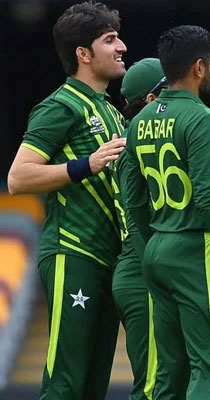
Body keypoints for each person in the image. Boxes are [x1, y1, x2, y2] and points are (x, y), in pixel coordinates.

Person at [121, 25, 210, 399]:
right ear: (199, 68)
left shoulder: (140, 122)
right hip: (194, 252)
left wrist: (150, 247)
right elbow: (209, 199)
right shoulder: (201, 119)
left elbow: (132, 200)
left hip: (157, 251)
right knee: (209, 369)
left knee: (169, 373)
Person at [7, 2, 126, 398]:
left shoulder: (110, 110)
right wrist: (85, 165)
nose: (122, 46)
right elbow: (18, 177)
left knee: (92, 386)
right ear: (83, 54)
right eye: (110, 39)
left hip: (110, 260)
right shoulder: (61, 105)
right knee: (65, 383)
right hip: (73, 254)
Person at [112, 57, 166, 400]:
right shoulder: (141, 142)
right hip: (143, 269)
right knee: (152, 386)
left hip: (150, 266)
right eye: (169, 87)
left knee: (166, 381)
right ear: (150, 100)